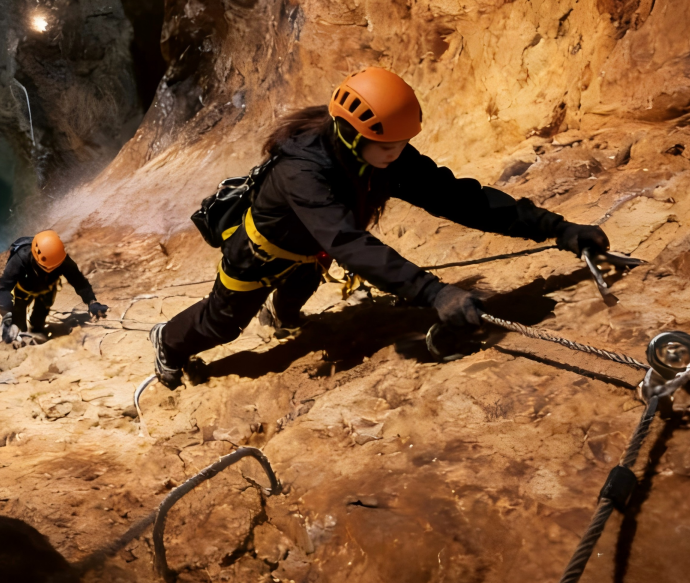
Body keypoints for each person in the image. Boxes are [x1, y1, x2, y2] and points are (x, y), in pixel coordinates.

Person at [149, 67, 609, 389]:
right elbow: (348, 242)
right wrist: (433, 293)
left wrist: (556, 228)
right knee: (222, 325)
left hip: (311, 250)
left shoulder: (381, 151)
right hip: (260, 254)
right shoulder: (301, 171)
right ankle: (168, 342)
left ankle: (282, 315)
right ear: (352, 135)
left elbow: (457, 198)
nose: (397, 153)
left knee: (297, 294)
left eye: (402, 143)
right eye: (388, 146)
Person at [0, 230, 108, 342]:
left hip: (46, 291)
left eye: (55, 267)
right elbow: (3, 288)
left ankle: (36, 328)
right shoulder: (20, 258)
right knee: (17, 327)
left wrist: (92, 302)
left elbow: (78, 281)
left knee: (37, 325)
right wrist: (8, 316)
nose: (49, 270)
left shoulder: (60, 259)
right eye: (46, 267)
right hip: (23, 291)